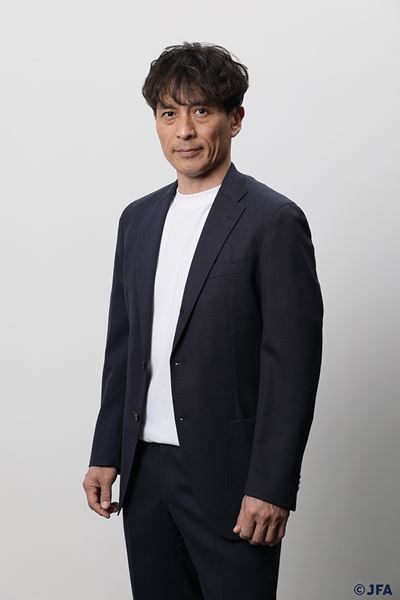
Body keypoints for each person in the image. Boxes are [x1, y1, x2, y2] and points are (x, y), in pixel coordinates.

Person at [82, 41, 324, 600]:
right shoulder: (137, 220)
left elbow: (292, 365)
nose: (185, 130)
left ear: (235, 119)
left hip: (233, 480)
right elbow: (124, 348)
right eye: (169, 113)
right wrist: (106, 451)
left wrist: (272, 485)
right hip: (144, 474)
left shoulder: (273, 220)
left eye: (202, 110)